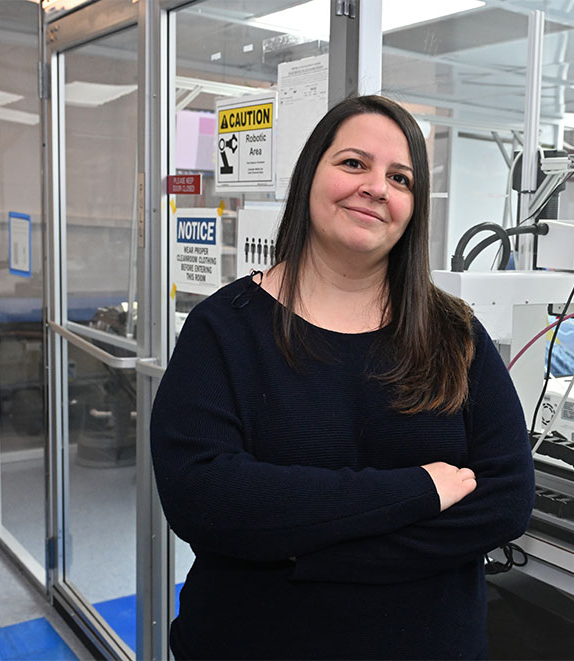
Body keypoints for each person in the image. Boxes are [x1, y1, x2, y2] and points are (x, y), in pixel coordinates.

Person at [150, 95, 536, 660]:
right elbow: (205, 498)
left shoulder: (454, 332)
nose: (377, 187)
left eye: (400, 177)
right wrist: (420, 489)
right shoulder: (224, 328)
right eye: (354, 163)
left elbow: (505, 498)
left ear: (414, 205)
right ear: (311, 175)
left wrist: (311, 557)